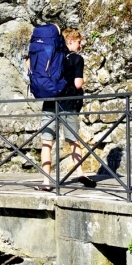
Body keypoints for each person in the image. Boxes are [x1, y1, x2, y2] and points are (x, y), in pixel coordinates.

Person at [35, 27, 91, 190]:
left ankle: (46, 182)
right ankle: (80, 173)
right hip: (67, 102)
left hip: (50, 101)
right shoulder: (76, 59)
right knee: (73, 140)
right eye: (79, 42)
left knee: (47, 141)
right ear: (71, 41)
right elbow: (77, 84)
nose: (80, 46)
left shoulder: (52, 57)